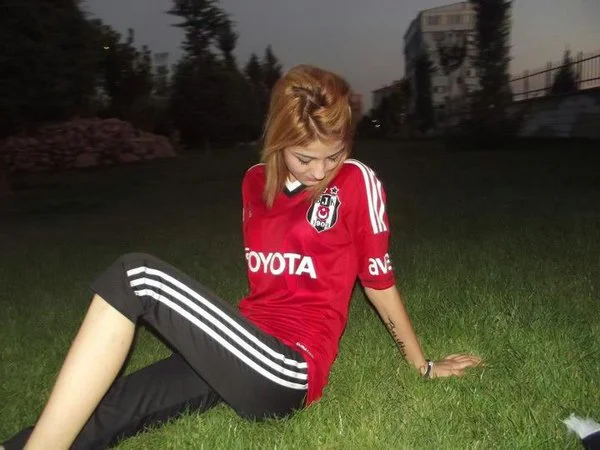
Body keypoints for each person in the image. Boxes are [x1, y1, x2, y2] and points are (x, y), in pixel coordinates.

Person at [2, 65, 482, 450]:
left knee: (137, 278)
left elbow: (378, 280)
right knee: (121, 403)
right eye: (304, 158)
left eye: (332, 156)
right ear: (278, 143)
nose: (320, 171)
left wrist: (423, 365)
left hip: (289, 368)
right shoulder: (254, 183)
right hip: (245, 343)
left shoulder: (357, 182)